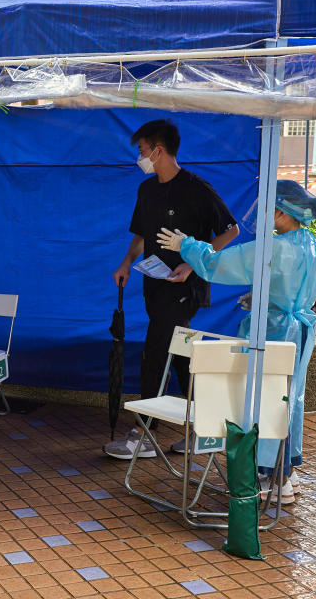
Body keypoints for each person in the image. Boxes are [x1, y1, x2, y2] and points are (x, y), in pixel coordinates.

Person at [156, 179, 316, 504]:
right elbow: (311, 289)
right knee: (288, 401)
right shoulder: (311, 245)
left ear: (279, 212)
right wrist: (273, 298)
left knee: (263, 401)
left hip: (273, 331)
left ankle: (264, 475)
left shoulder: (273, 247)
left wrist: (186, 246)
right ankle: (286, 474)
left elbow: (219, 263)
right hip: (301, 330)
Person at [104, 119, 239, 460]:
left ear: (159, 150)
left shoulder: (196, 188)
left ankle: (143, 431)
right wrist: (125, 264)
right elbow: (141, 235)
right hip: (154, 285)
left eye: (142, 151)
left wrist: (193, 262)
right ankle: (208, 429)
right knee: (182, 356)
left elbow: (230, 230)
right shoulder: (147, 190)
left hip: (184, 287)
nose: (140, 158)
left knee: (154, 353)